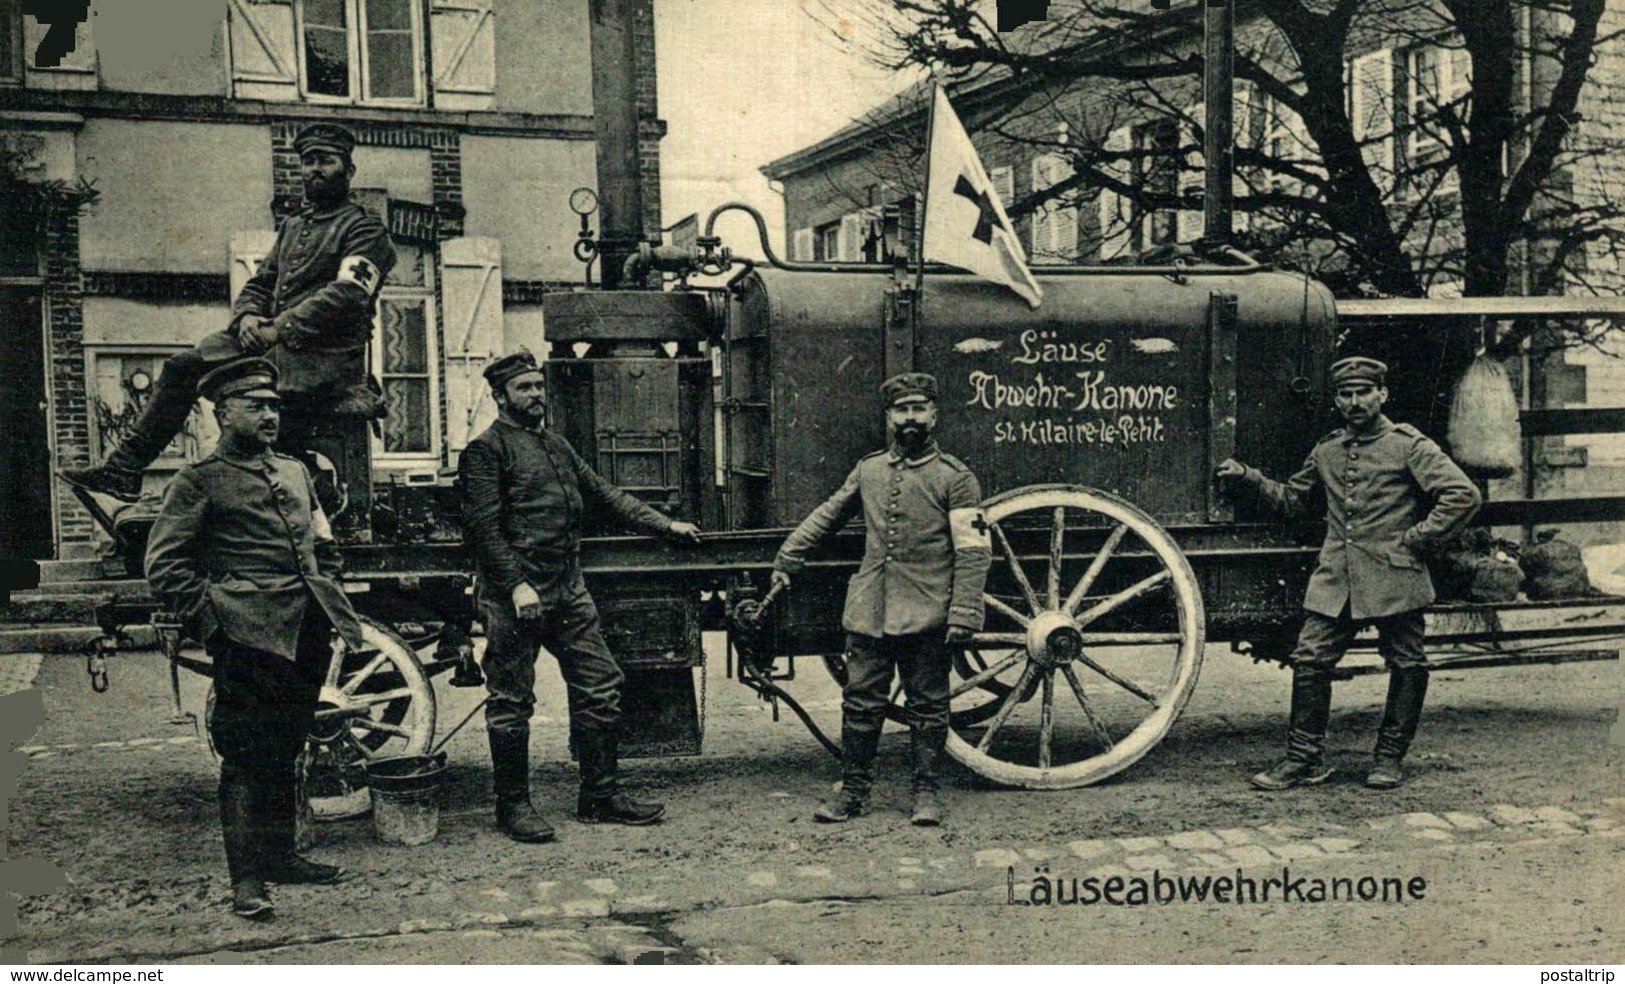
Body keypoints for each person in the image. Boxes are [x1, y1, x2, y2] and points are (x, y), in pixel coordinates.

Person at [61, 123, 396, 502]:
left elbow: (348, 294)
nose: (314, 169)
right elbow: (260, 283)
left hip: (324, 359)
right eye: (307, 161)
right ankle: (123, 471)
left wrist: (278, 329)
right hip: (271, 347)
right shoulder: (293, 227)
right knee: (182, 367)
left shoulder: (365, 229)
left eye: (325, 161)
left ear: (348, 171)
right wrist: (249, 318)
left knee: (247, 408)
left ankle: (272, 496)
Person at [144, 357, 361, 921]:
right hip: (246, 634)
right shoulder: (198, 481)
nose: (271, 414)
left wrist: (328, 583)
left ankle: (282, 856)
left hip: (305, 628)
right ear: (223, 413)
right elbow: (165, 567)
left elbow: (321, 538)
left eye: (274, 405)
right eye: (257, 405)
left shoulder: (292, 470)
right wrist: (217, 619)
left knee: (288, 743)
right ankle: (247, 880)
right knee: (245, 755)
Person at [458, 349, 705, 842]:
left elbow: (605, 494)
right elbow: (484, 529)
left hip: (567, 587)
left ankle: (599, 795)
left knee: (600, 681)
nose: (535, 395)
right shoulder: (486, 451)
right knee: (511, 698)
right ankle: (513, 807)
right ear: (499, 395)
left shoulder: (555, 443)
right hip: (517, 593)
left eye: (538, 386)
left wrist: (665, 525)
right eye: (524, 388)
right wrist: (516, 586)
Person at [1216, 356, 1481, 791]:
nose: (1354, 402)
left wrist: (1416, 539)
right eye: (1345, 394)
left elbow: (1462, 495)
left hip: (1396, 575)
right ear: (1338, 400)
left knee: (1407, 662)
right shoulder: (1328, 450)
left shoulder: (1409, 445)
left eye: (1363, 392)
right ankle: (1303, 760)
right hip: (1338, 577)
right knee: (1310, 658)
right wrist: (1249, 477)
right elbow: (1293, 501)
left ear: (1382, 394)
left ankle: (1389, 759)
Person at [772, 372, 992, 826]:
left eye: (918, 409)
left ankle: (926, 792)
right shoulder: (869, 470)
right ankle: (852, 792)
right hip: (870, 608)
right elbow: (828, 515)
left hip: (928, 608)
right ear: (889, 417)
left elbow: (974, 551)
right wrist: (788, 557)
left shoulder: (956, 478)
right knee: (860, 703)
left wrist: (964, 611)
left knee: (928, 704)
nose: (909, 418)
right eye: (900, 410)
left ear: (933, 414)